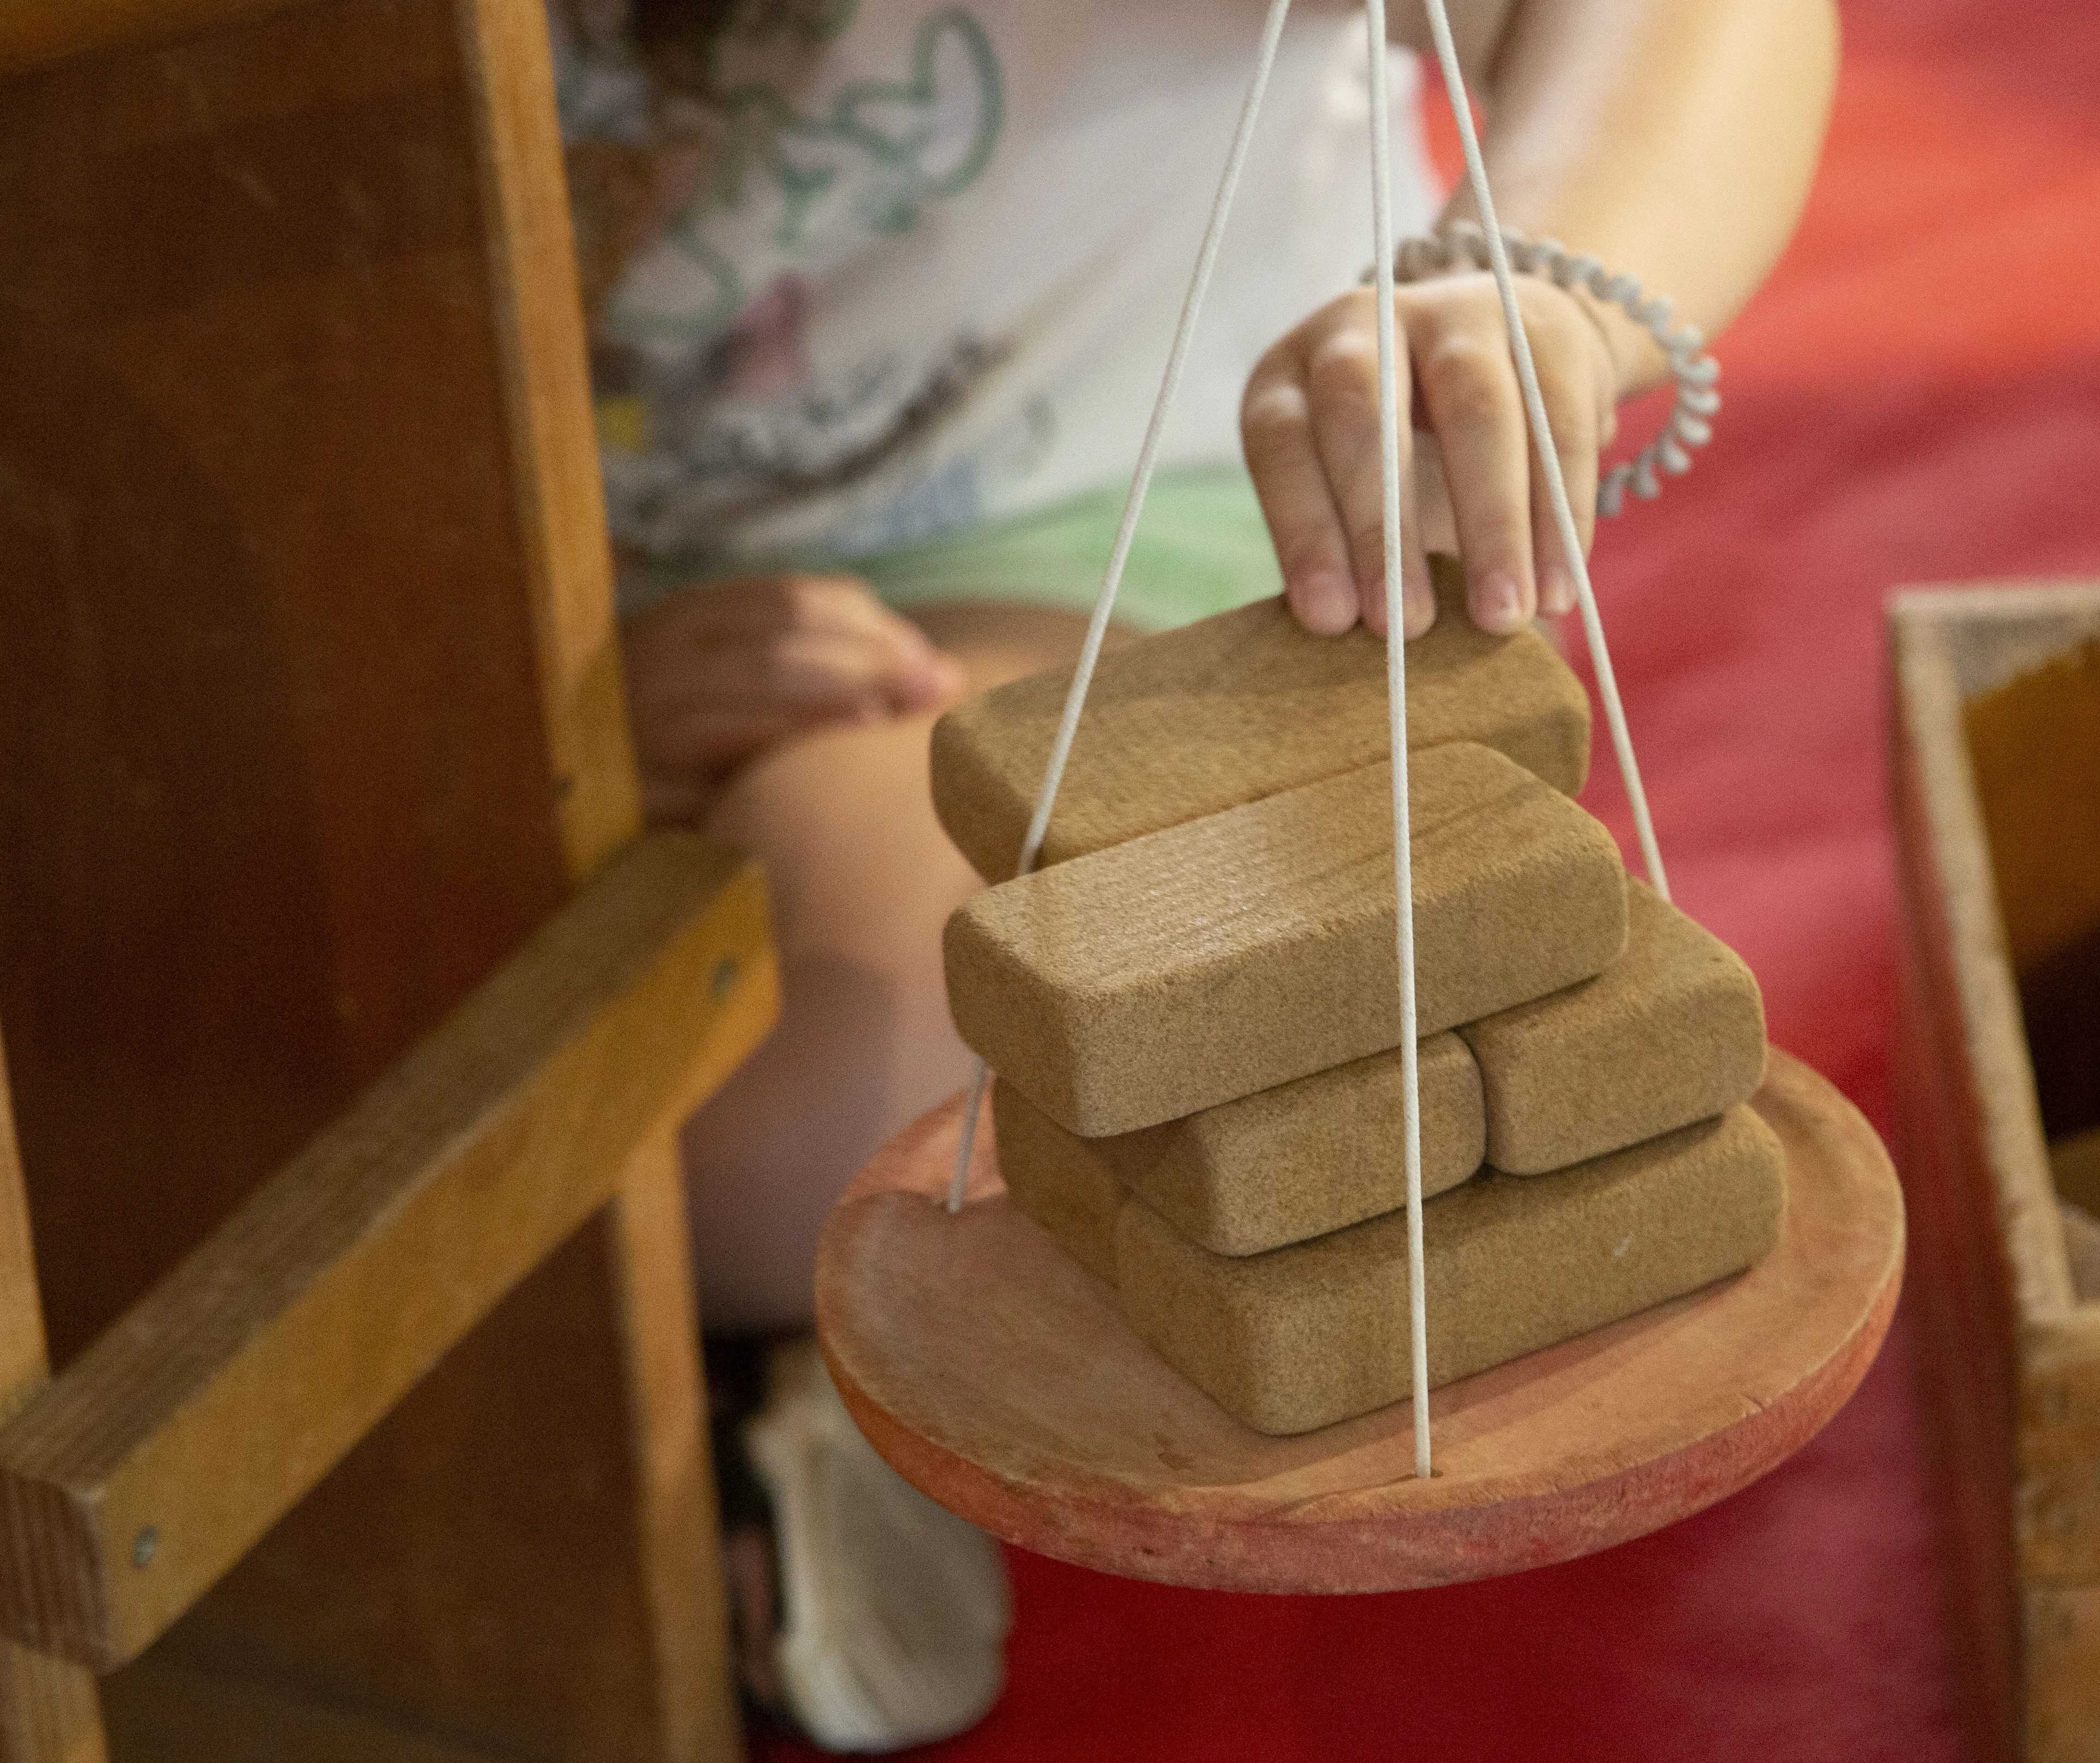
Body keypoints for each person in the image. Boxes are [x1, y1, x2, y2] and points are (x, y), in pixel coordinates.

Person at [550, 0, 1834, 1748]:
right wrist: (514, 663)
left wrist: (1546, 290)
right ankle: (795, 1353)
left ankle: (795, 1337)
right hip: (514, 528)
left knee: (842, 1058)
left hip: (1136, 476)